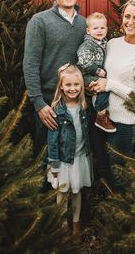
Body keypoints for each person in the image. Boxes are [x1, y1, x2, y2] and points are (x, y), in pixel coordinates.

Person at [89, 0, 135, 188]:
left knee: (118, 175)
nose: (130, 21)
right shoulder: (112, 43)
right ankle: (104, 215)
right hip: (99, 117)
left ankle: (119, 216)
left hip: (122, 124)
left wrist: (111, 85)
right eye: (127, 16)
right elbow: (101, 73)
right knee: (102, 169)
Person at [23, 0, 86, 157]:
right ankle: (44, 187)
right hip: (49, 101)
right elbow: (30, 63)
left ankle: (70, 186)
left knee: (73, 151)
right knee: (46, 153)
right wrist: (39, 103)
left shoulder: (84, 24)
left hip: (76, 99)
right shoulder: (39, 21)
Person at [47, 64, 93, 240]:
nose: (72, 89)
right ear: (61, 86)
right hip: (63, 161)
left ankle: (76, 224)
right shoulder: (57, 110)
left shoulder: (84, 106)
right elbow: (52, 140)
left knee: (77, 191)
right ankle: (61, 225)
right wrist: (53, 164)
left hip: (80, 157)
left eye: (76, 85)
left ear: (81, 86)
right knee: (63, 192)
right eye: (68, 85)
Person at [77, 12, 116, 133]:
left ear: (106, 29)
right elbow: (83, 60)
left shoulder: (104, 43)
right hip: (87, 76)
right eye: (95, 28)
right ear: (88, 31)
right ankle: (101, 114)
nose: (99, 31)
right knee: (103, 88)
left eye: (102, 28)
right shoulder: (88, 45)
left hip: (96, 75)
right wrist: (97, 70)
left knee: (105, 86)